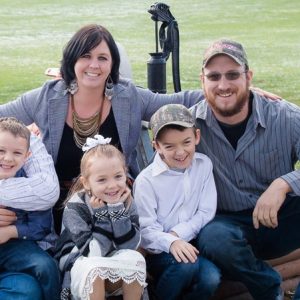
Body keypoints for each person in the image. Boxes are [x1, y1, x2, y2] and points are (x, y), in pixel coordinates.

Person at [0, 24, 279, 234]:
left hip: (116, 200)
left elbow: (175, 101)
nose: (94, 65)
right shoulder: (47, 98)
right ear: (72, 61)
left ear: (113, 65)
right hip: (59, 208)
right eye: (85, 56)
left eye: (103, 58)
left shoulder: (127, 97)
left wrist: (230, 89)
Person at [188, 38, 300, 300]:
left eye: (233, 75)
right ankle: (270, 288)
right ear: (202, 80)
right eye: (214, 76)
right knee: (213, 237)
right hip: (228, 226)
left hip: (281, 217)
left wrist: (283, 184)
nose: (223, 85)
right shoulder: (189, 125)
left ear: (248, 76)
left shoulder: (285, 117)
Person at [133, 104, 220, 300]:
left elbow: (206, 211)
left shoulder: (203, 165)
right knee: (186, 266)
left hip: (191, 244)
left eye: (186, 142)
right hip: (159, 251)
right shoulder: (147, 181)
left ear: (196, 136)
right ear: (156, 146)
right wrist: (171, 241)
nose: (180, 152)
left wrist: (178, 233)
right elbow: (145, 231)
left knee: (211, 278)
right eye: (169, 146)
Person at [54, 134, 146, 300]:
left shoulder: (125, 201)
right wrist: (102, 215)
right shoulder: (75, 207)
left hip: (113, 261)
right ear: (87, 182)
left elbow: (130, 245)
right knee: (95, 267)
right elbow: (93, 253)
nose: (112, 185)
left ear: (125, 173)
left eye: (118, 176)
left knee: (135, 258)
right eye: (102, 179)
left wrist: (116, 208)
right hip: (80, 265)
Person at [0, 117, 60, 300]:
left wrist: (11, 231)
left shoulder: (30, 183)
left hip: (14, 244)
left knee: (45, 266)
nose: (8, 158)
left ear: (27, 157)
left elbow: (40, 226)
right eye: (1, 150)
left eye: (17, 153)